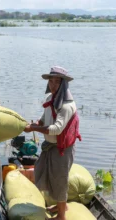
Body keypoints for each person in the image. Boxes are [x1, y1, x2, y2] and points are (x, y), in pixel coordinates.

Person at [24, 66, 81, 220]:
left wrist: (35, 128)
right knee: (43, 171)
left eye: (57, 81)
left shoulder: (67, 105)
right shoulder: (50, 98)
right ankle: (60, 204)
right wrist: (38, 123)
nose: (53, 84)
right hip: (50, 147)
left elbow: (56, 129)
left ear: (63, 84)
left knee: (59, 180)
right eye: (51, 81)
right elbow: (44, 117)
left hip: (62, 149)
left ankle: (61, 215)